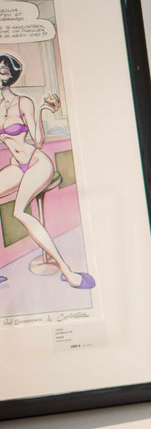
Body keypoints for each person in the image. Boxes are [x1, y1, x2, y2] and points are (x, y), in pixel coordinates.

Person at [0, 53, 94, 289]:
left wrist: (41, 110)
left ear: (10, 77)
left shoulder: (23, 102)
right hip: (16, 165)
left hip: (36, 162)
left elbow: (38, 141)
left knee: (19, 212)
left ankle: (67, 271)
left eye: (3, 72)